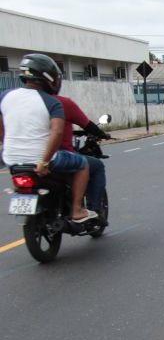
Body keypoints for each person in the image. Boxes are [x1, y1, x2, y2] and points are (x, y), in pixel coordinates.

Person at [0, 53, 94, 221]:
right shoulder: (51, 102)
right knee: (82, 164)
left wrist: (7, 145)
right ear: (48, 77)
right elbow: (57, 133)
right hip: (40, 160)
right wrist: (44, 162)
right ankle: (77, 209)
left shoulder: (5, 96)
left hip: (10, 159)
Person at [56, 94, 109, 216]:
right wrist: (102, 134)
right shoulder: (60, 103)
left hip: (23, 159)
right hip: (55, 157)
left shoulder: (21, 101)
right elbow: (87, 124)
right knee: (94, 165)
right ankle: (91, 210)